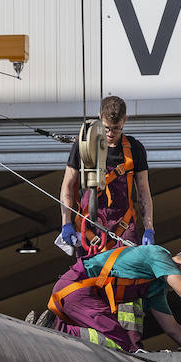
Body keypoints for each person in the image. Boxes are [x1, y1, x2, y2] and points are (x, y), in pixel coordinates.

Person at [47, 245, 181, 353]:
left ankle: (59, 328)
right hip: (77, 289)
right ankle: (58, 329)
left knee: (121, 342)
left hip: (82, 296)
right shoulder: (157, 255)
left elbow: (172, 328)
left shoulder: (155, 288)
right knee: (118, 341)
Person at [60, 95, 155, 257]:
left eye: (116, 128)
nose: (111, 133)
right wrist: (66, 223)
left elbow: (143, 191)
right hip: (89, 228)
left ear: (125, 120)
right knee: (90, 279)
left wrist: (149, 228)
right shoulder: (83, 145)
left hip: (123, 227)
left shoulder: (134, 149)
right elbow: (67, 185)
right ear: (99, 117)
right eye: (106, 128)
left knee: (130, 278)